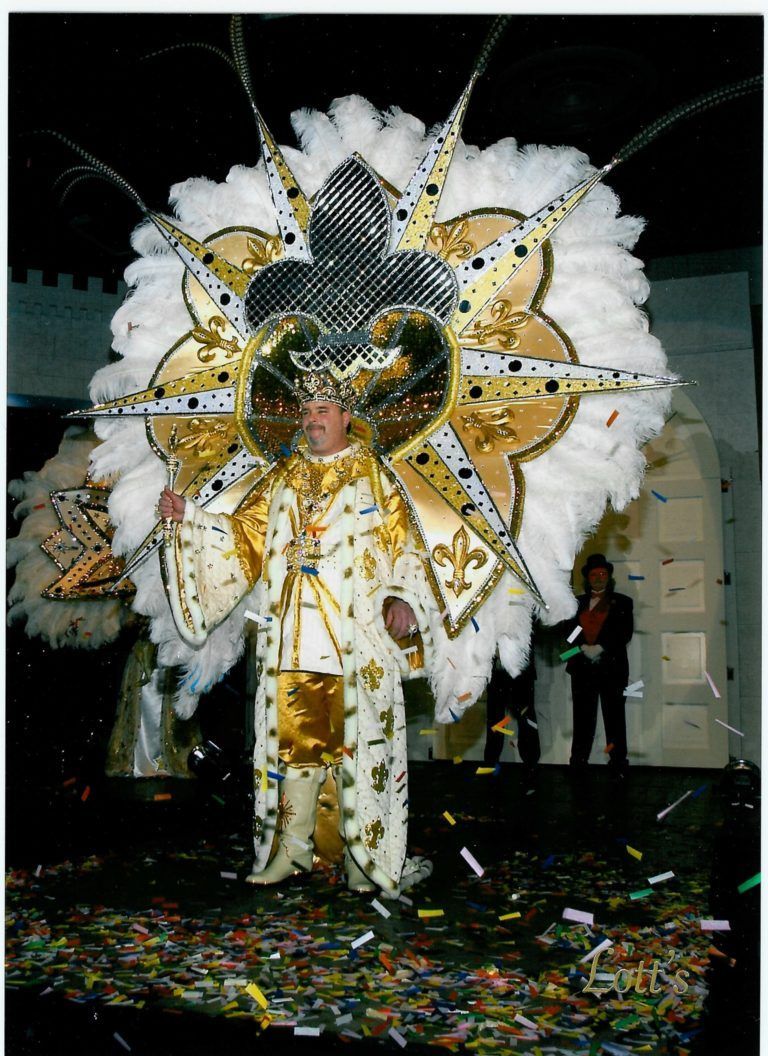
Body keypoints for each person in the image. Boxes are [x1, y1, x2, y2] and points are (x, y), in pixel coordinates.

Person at [158, 370, 435, 896]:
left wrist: (403, 598)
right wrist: (190, 516)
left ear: (346, 417)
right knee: (293, 749)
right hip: (292, 639)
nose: (311, 419)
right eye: (306, 411)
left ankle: (363, 857)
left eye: (322, 410)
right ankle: (290, 851)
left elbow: (409, 545)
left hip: (356, 643)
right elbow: (245, 535)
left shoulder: (376, 476)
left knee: (359, 748)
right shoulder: (283, 475)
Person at [564, 554, 633, 778]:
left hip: (612, 669)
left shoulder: (623, 602)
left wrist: (601, 647)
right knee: (582, 718)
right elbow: (569, 633)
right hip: (582, 668)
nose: (598, 578)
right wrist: (582, 647)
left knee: (615, 718)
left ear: (609, 576)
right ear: (587, 578)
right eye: (594, 574)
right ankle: (578, 761)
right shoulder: (575, 604)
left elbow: (624, 633)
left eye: (602, 573)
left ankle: (618, 762)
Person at [484, 638, 540, 790]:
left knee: (526, 719)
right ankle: (491, 764)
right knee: (495, 719)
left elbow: (534, 630)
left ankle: (531, 766)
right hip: (496, 670)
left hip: (521, 667)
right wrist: (492, 649)